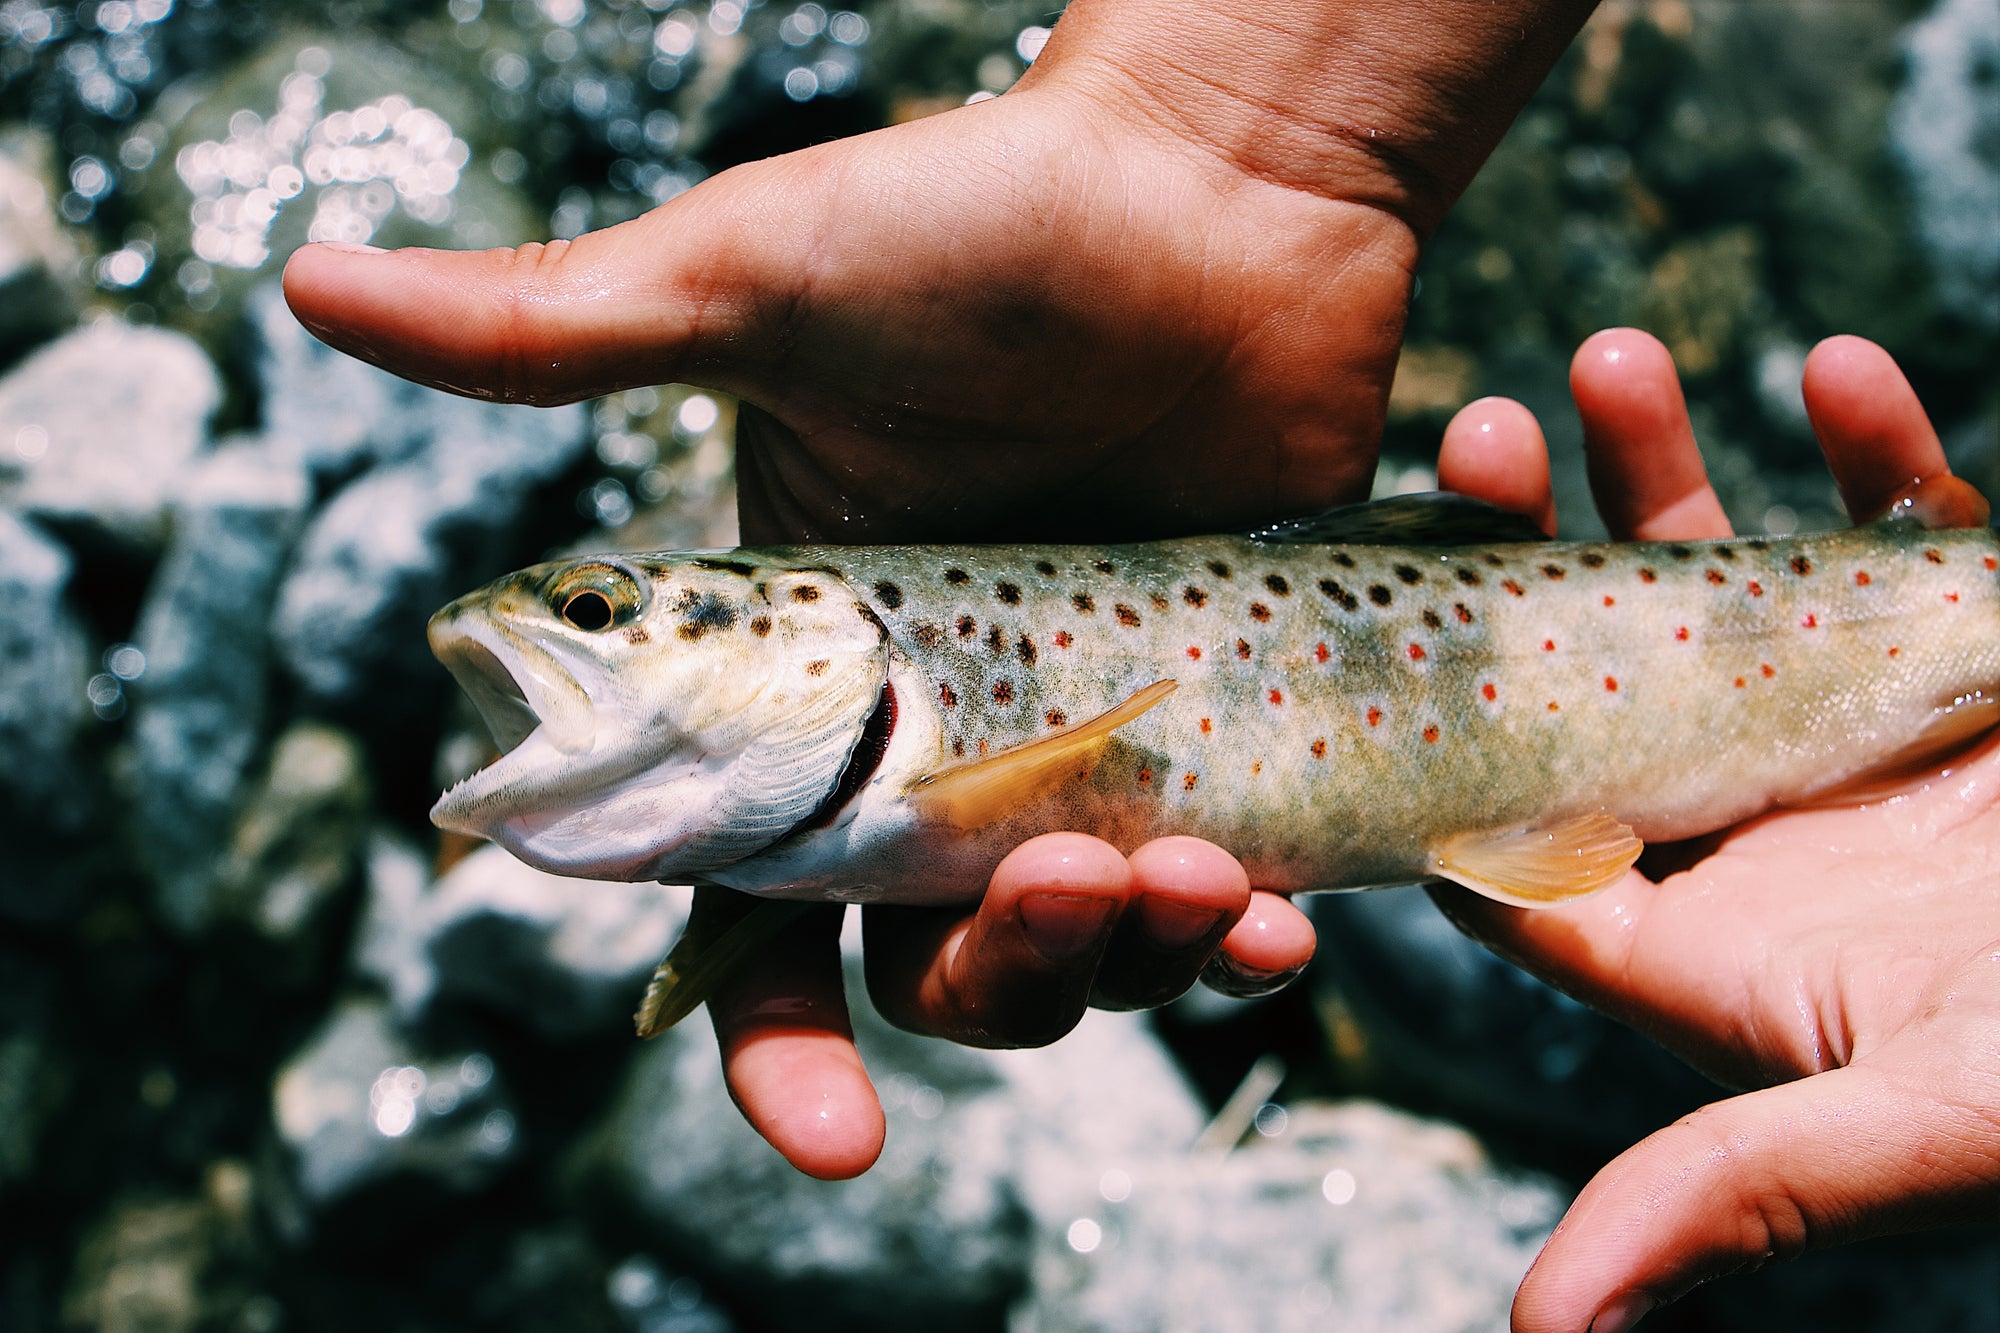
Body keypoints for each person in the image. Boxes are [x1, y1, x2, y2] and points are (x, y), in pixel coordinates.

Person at [281, 0, 2000, 1326]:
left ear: (828, 631)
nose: (551, 644)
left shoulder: (886, 763)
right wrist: (1237, 141)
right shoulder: (818, 805)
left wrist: (1229, 138)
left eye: (603, 618)